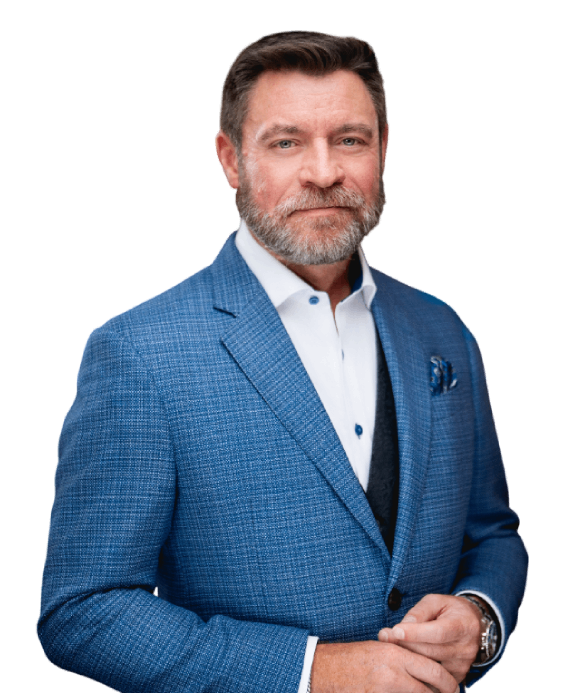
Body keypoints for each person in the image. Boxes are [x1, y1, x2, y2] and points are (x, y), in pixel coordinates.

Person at [37, 30, 528, 692]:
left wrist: (480, 617)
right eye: (286, 142)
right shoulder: (137, 353)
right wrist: (313, 671)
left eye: (349, 140)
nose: (323, 172)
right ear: (230, 159)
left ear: (384, 148)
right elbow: (84, 612)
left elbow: (492, 533)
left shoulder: (443, 329)